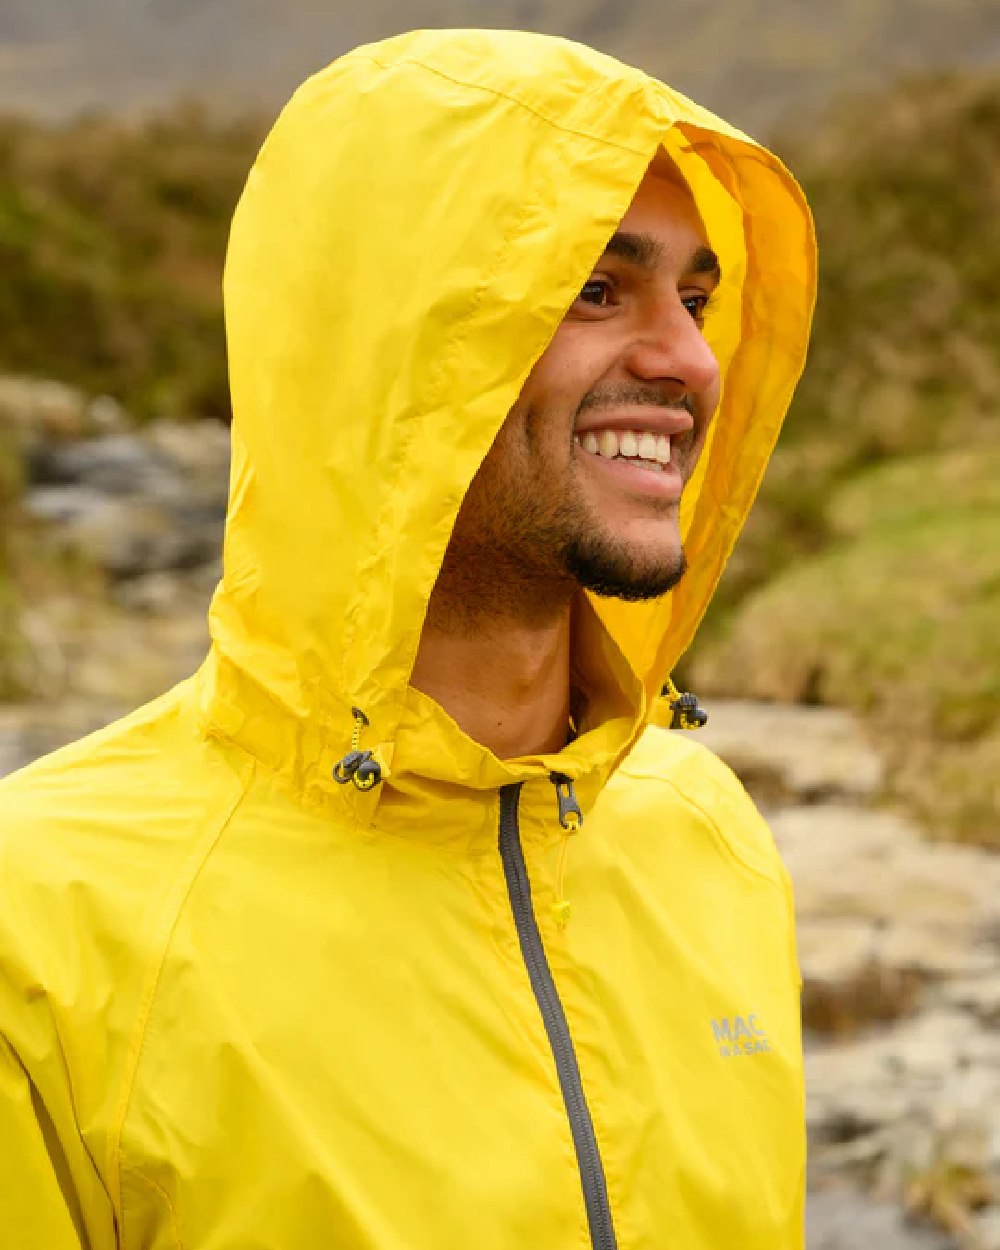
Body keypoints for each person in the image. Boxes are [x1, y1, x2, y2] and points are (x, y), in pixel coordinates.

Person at [0, 27, 816, 1250]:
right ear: (387, 346)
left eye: (696, 298)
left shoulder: (709, 832)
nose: (691, 360)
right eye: (595, 287)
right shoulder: (44, 918)